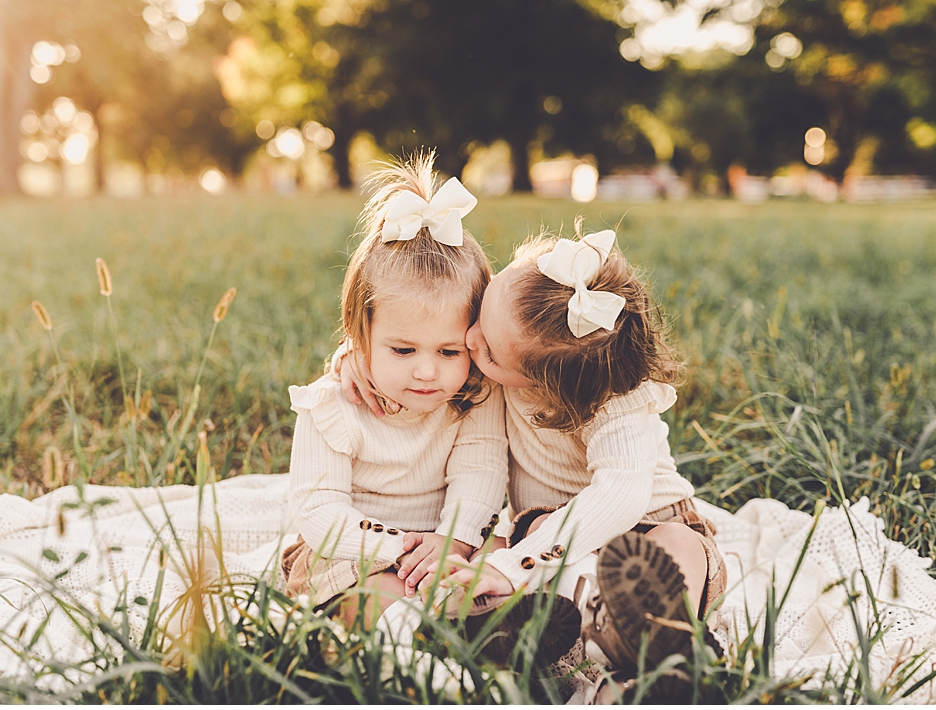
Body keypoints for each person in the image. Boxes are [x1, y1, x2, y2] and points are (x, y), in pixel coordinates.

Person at [342, 222, 727, 691]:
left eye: (486, 352)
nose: (469, 341)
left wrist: (518, 566)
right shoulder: (502, 349)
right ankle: (511, 634)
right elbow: (415, 332)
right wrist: (356, 353)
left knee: (678, 546)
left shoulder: (614, 397)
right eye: (480, 316)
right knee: (470, 562)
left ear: (541, 384)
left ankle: (660, 637)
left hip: (641, 530)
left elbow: (623, 495)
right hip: (540, 535)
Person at [283, 152, 508, 629]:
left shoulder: (473, 398)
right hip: (353, 549)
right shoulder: (331, 408)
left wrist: (454, 540)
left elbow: (481, 471)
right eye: (403, 351)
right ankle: (435, 631)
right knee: (378, 593)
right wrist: (399, 549)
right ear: (358, 335)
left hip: (449, 544)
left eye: (450, 352)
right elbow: (318, 511)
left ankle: (481, 623)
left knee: (496, 564)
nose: (428, 372)